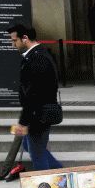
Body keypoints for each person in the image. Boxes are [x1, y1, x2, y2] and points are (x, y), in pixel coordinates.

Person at [8, 24, 63, 171]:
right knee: (29, 145)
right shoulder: (38, 54)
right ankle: (61, 172)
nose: (13, 45)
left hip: (38, 114)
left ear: (25, 38)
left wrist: (23, 122)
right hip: (39, 112)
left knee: (37, 155)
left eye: (14, 40)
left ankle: (50, 183)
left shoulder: (37, 59)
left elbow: (33, 95)